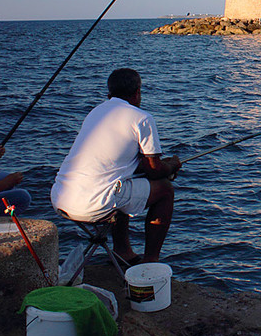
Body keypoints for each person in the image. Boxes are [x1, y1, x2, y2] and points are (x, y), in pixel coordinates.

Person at [51, 68, 182, 264]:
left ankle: (123, 252)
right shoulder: (141, 118)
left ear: (109, 94)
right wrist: (171, 166)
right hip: (93, 205)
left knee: (122, 186)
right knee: (165, 190)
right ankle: (151, 263)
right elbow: (154, 170)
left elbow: (119, 164)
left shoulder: (96, 112)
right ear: (137, 93)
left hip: (60, 198)